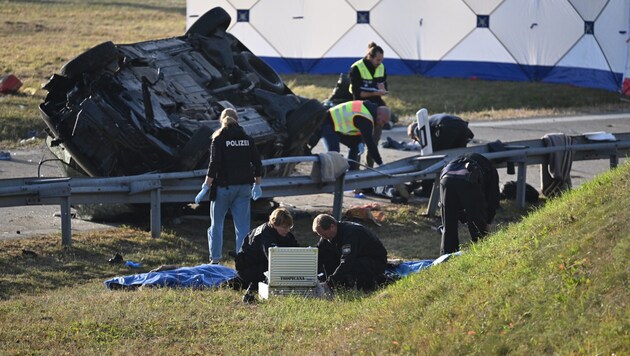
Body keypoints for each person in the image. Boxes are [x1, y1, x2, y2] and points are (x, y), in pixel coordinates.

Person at [194, 108, 263, 264]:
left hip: (223, 189)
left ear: (221, 120)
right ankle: (242, 260)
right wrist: (257, 185)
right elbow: (257, 163)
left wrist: (206, 186)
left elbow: (214, 165)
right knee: (243, 228)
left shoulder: (218, 139)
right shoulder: (248, 139)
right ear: (237, 120)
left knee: (216, 225)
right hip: (244, 188)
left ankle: (215, 260)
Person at [439, 152, 500, 255]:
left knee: (448, 226)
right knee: (477, 225)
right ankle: (481, 255)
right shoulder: (490, 170)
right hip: (469, 178)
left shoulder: (461, 159)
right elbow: (493, 197)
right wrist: (487, 221)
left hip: (446, 178)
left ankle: (446, 258)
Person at [313, 214, 388, 291]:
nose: (324, 238)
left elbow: (347, 261)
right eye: (321, 235)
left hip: (374, 261)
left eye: (324, 234)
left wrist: (330, 283)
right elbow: (318, 256)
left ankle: (366, 286)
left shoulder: (351, 233)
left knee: (354, 264)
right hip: (355, 259)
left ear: (332, 227)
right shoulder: (326, 238)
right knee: (327, 257)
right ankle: (339, 286)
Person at [230, 208, 299, 290]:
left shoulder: (285, 234)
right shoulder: (266, 234)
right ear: (274, 224)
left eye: (289, 227)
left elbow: (296, 251)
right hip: (248, 268)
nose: (287, 230)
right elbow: (274, 258)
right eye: (284, 227)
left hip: (261, 264)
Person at [407, 113, 475, 197]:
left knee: (433, 159)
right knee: (458, 160)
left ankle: (426, 190)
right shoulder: (430, 121)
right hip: (462, 126)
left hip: (446, 127)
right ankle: (460, 186)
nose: (416, 141)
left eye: (413, 138)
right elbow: (470, 136)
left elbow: (428, 155)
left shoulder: (418, 127)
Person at [349, 42, 389, 168]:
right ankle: (354, 170)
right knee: (357, 143)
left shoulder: (381, 67)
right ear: (370, 57)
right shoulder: (357, 68)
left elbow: (383, 86)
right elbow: (358, 93)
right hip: (360, 109)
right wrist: (376, 92)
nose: (380, 63)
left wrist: (382, 90)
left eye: (382, 60)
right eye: (378, 60)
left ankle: (369, 169)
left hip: (376, 108)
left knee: (373, 142)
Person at [320, 100, 390, 170]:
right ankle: (328, 175)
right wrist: (380, 163)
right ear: (379, 113)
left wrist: (360, 142)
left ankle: (351, 171)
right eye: (383, 122)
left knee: (355, 145)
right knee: (334, 152)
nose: (382, 125)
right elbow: (370, 144)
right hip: (327, 123)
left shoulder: (367, 111)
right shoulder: (366, 117)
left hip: (336, 126)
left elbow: (358, 130)